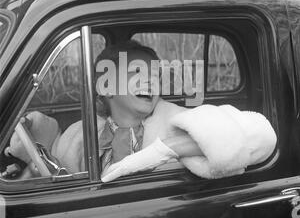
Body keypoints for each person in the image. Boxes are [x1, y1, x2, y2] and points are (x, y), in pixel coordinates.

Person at [6, 40, 277, 182]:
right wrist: (25, 173)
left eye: (155, 75)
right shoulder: (81, 132)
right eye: (137, 72)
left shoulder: (177, 120)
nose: (151, 80)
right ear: (107, 87)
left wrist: (166, 148)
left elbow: (262, 136)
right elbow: (56, 170)